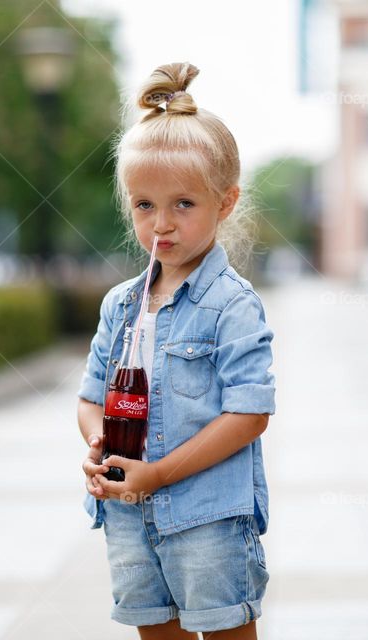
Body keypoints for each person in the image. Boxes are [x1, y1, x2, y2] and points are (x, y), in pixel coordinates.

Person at [76, 62, 276, 639]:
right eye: (143, 205)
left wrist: (159, 474)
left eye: (183, 204)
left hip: (207, 519)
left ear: (226, 201)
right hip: (129, 516)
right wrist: (96, 439)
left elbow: (250, 414)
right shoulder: (120, 305)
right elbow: (90, 398)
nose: (161, 224)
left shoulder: (231, 305)